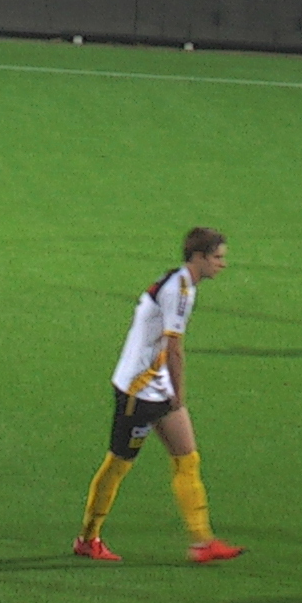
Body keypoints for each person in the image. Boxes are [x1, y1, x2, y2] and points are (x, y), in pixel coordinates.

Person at [73, 228, 243, 564]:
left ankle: (202, 541)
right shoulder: (178, 291)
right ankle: (88, 538)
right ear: (199, 257)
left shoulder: (179, 283)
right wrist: (179, 394)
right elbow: (174, 348)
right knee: (118, 464)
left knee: (187, 459)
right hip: (139, 391)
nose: (222, 264)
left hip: (157, 386)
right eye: (217, 257)